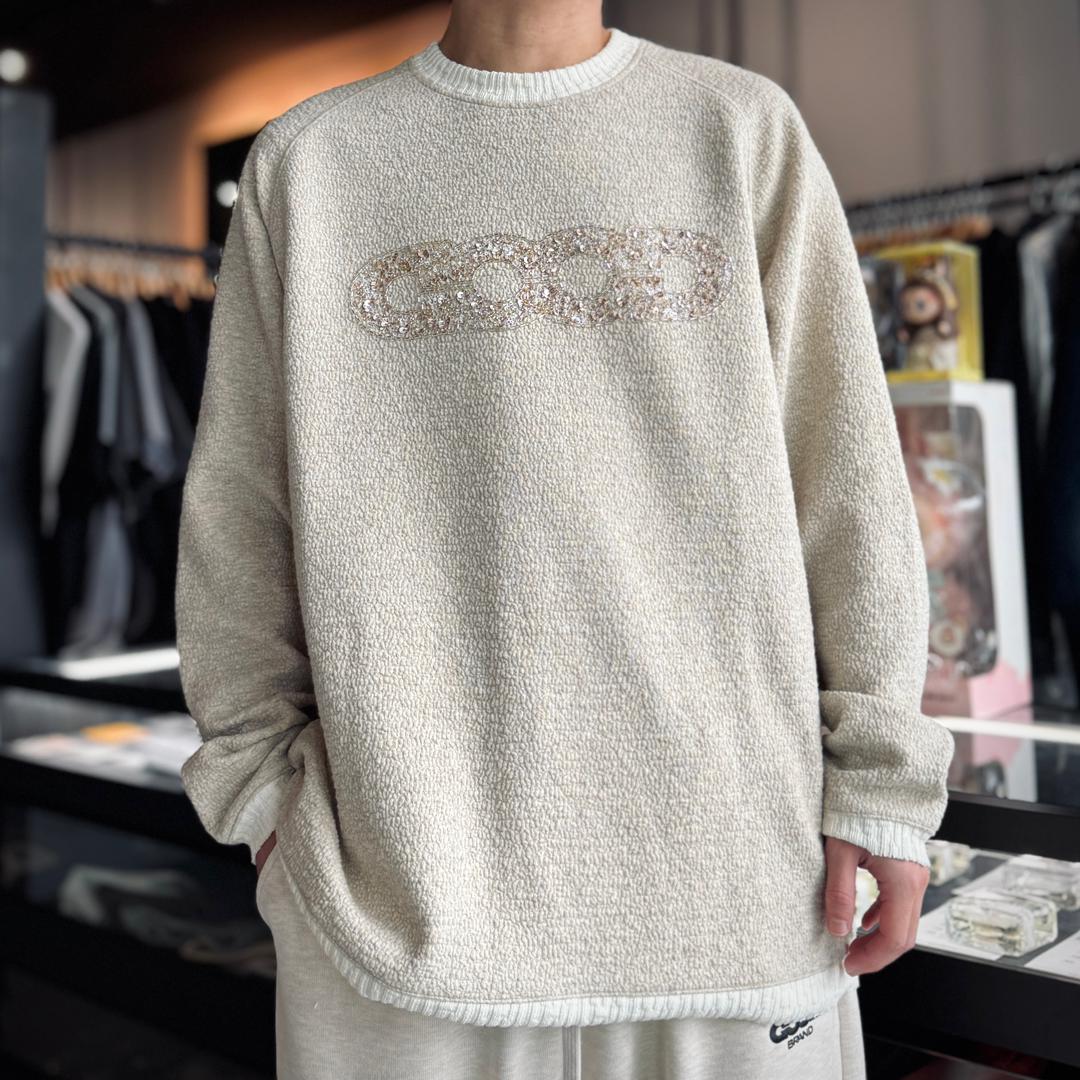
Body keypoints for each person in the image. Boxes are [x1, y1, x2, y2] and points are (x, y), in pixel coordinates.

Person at [175, 1, 955, 1077]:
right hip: (396, 913)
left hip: (741, 889)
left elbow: (848, 480)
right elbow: (236, 514)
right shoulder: (310, 162)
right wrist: (265, 798)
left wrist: (883, 783)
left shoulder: (736, 126)